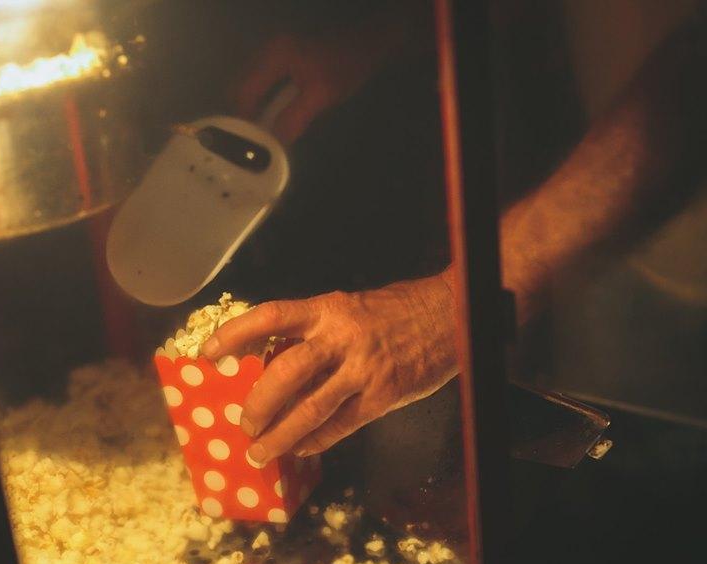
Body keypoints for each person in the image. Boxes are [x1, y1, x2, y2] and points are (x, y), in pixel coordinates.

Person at [205, 7, 707, 466]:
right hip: (573, 174)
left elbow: (686, 94)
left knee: (638, 465)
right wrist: (378, 38)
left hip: (674, 266)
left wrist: (447, 310)